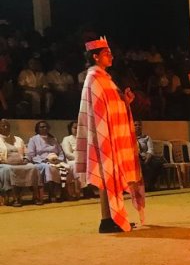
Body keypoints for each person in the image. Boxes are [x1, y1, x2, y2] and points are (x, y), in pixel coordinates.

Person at [76, 36, 145, 233]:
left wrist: (125, 101)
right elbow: (97, 111)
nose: (111, 56)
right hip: (103, 135)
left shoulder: (105, 78)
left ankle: (112, 218)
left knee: (111, 176)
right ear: (95, 57)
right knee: (105, 176)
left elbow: (111, 106)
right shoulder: (94, 78)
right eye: (107, 53)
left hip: (111, 134)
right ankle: (106, 219)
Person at [27, 120, 72, 202]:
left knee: (67, 167)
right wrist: (44, 160)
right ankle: (52, 193)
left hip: (56, 161)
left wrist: (59, 160)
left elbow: (61, 153)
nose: (44, 128)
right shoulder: (33, 139)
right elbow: (31, 155)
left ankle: (64, 192)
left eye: (46, 127)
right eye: (42, 127)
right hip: (41, 162)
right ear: (37, 129)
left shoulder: (53, 139)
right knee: (49, 168)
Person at [0, 118, 40, 206]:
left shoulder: (18, 139)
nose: (6, 127)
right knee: (9, 169)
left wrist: (26, 159)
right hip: (4, 164)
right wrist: (4, 161)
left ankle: (35, 196)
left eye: (7, 126)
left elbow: (27, 153)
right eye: (3, 126)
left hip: (20, 163)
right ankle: (16, 198)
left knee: (33, 167)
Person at [134, 120, 165, 191]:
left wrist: (147, 159)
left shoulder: (146, 137)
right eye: (135, 125)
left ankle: (151, 184)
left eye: (139, 125)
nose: (138, 126)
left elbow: (150, 150)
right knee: (140, 164)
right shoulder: (129, 138)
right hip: (136, 158)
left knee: (158, 164)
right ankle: (143, 186)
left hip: (146, 157)